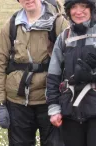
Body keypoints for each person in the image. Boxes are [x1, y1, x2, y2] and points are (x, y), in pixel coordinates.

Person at [0, 0, 69, 145]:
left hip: (50, 101)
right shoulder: (11, 25)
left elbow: (72, 58)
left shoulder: (58, 23)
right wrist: (0, 103)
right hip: (17, 102)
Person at [47, 0, 96, 145]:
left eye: (84, 6)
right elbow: (53, 75)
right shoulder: (64, 37)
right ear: (68, 11)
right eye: (74, 7)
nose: (78, 11)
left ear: (92, 9)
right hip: (70, 110)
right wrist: (54, 108)